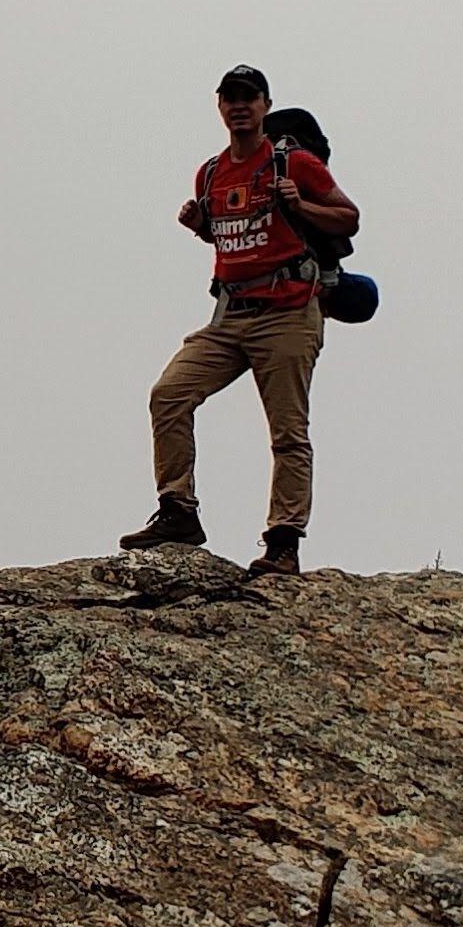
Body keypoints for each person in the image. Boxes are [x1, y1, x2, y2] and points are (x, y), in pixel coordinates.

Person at [122, 63, 357, 573]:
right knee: (169, 395)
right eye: (231, 97)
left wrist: (304, 206)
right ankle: (178, 510)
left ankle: (283, 540)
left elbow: (349, 216)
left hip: (289, 312)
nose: (239, 106)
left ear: (265, 106)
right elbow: (232, 234)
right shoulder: (211, 172)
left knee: (287, 431)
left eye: (249, 97)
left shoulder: (292, 163)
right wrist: (200, 226)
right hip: (230, 316)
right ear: (219, 105)